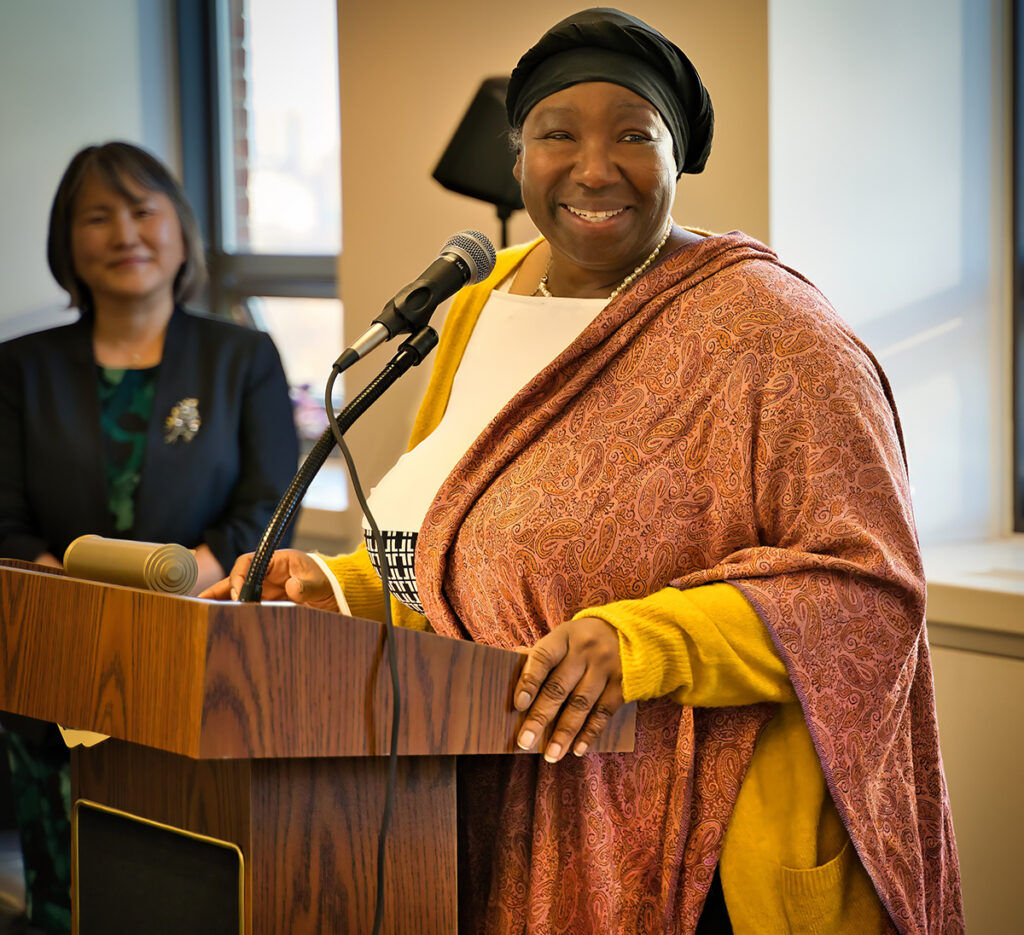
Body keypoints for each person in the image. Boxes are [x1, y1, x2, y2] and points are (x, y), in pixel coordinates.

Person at [205, 9, 963, 934]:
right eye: (558, 133)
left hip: (700, 851)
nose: (594, 168)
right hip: (474, 802)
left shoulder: (773, 333)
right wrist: (348, 589)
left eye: (634, 136)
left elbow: (869, 589)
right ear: (518, 155)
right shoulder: (483, 303)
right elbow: (475, 544)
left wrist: (643, 642)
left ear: (678, 156)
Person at [0, 141, 299, 932]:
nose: (124, 233)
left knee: (180, 879)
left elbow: (270, 504)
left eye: (142, 210)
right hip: (54, 658)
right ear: (69, 240)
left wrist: (183, 584)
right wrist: (75, 602)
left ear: (181, 230)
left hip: (196, 655)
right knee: (63, 895)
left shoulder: (243, 358)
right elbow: (1, 517)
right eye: (97, 216)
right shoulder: (18, 367)